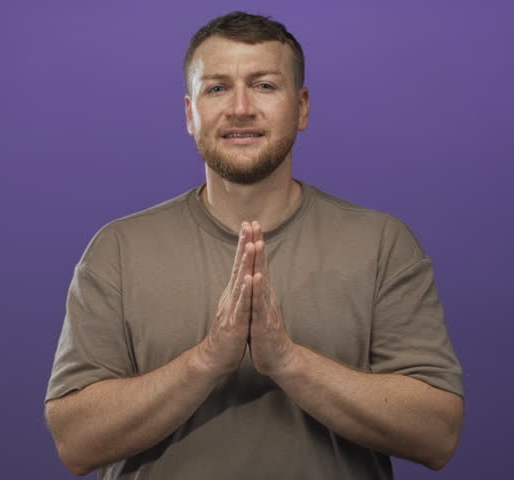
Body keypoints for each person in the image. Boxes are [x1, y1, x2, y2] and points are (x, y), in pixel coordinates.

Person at [44, 11, 464, 479]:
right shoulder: (118, 250)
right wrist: (207, 360)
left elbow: (437, 436)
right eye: (217, 87)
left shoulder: (382, 244)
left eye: (264, 85)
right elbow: (76, 444)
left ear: (301, 107)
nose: (240, 107)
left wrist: (286, 360)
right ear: (190, 113)